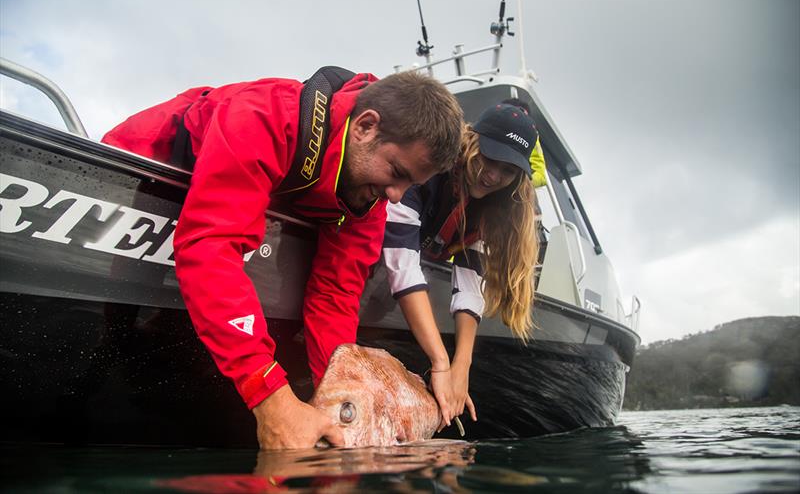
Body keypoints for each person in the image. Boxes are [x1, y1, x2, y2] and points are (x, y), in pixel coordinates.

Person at [101, 68, 464, 449]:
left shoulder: (369, 199)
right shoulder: (264, 115)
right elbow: (212, 247)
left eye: (411, 187)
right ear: (365, 127)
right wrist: (269, 395)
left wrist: (346, 406)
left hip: (232, 217)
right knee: (122, 334)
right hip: (144, 174)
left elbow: (335, 296)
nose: (395, 196)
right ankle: (109, 348)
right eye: (396, 172)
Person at [382, 102, 540, 425]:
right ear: (473, 139)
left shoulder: (492, 208)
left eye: (508, 171)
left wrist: (460, 369)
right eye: (489, 158)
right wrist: (440, 362)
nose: (493, 175)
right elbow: (403, 266)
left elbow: (469, 287)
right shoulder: (433, 164)